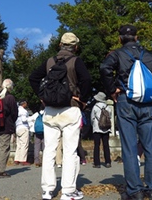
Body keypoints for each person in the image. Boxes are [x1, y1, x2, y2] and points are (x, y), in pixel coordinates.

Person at [100, 24, 152, 200]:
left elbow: (104, 69)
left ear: (120, 39)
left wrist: (112, 90)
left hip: (126, 101)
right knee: (150, 147)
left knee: (130, 147)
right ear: (136, 37)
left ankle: (135, 191)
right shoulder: (149, 55)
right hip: (148, 103)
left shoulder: (117, 54)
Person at [29, 32, 92, 200]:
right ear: (75, 47)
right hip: (70, 109)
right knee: (70, 151)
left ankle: (48, 190)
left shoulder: (50, 61)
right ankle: (68, 190)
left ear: (60, 45)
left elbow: (33, 77)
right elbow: (86, 80)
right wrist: (83, 100)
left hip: (50, 110)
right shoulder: (76, 61)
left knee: (49, 150)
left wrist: (42, 96)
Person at [91, 91, 112, 168]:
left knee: (97, 145)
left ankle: (97, 163)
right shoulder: (107, 107)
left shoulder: (95, 107)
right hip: (106, 128)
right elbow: (110, 117)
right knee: (106, 145)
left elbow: (92, 118)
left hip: (97, 128)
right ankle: (108, 162)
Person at [14, 99, 31, 165]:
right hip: (24, 127)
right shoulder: (24, 111)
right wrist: (30, 118)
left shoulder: (17, 110)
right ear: (24, 104)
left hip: (18, 128)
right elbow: (24, 119)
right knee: (24, 144)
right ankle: (23, 160)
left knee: (19, 144)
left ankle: (17, 159)